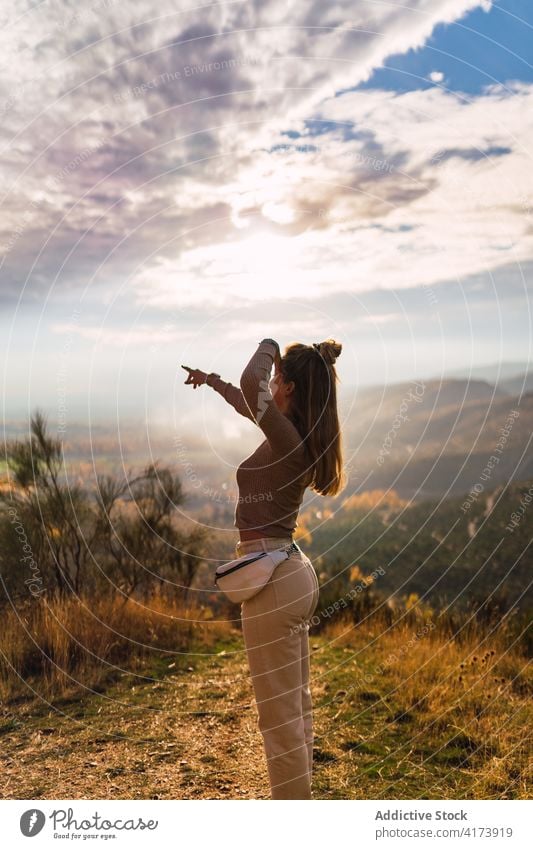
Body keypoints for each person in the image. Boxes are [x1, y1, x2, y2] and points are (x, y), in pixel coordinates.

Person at [182, 337, 346, 799]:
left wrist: (272, 345)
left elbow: (252, 382)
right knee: (295, 709)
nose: (270, 384)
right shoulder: (290, 434)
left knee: (279, 721)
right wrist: (211, 381)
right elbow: (246, 398)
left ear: (289, 388)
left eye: (278, 379)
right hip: (287, 572)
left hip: (274, 581)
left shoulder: (289, 439)